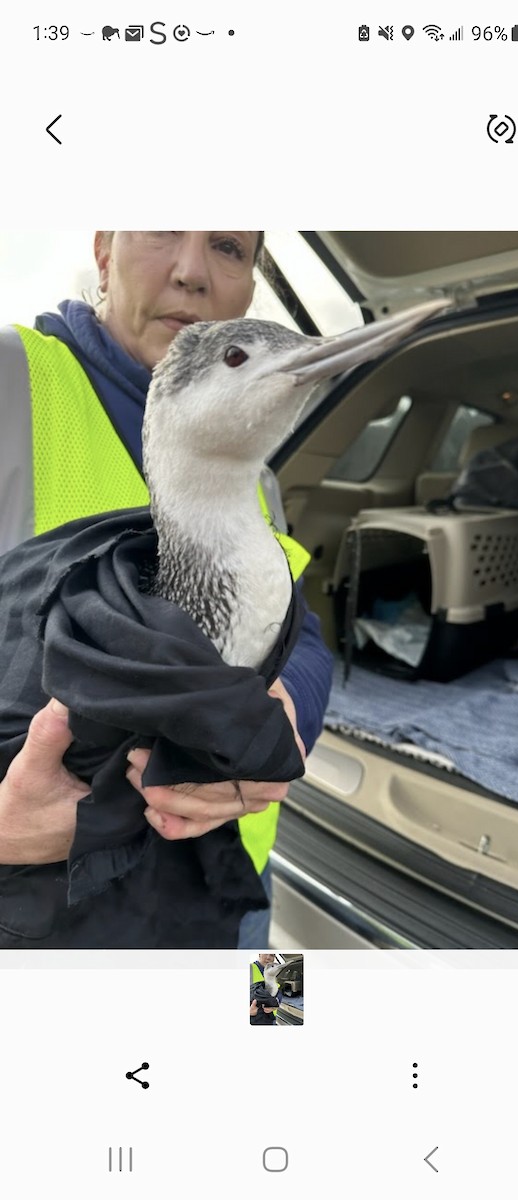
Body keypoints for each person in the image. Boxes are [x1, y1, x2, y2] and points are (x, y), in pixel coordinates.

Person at [0, 231, 333, 948]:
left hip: (239, 884)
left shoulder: (254, 463)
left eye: (227, 247)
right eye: (159, 230)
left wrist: (284, 720)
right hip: (55, 917)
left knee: (277, 1036)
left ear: (250, 283)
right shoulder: (8, 380)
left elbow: (301, 639)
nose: (190, 272)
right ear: (101, 250)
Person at [250, 952, 283, 1025]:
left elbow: (278, 991)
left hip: (271, 1019)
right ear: (259, 954)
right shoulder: (249, 968)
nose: (268, 957)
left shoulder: (273, 972)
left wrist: (276, 1003)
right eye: (265, 953)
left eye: (271, 955)